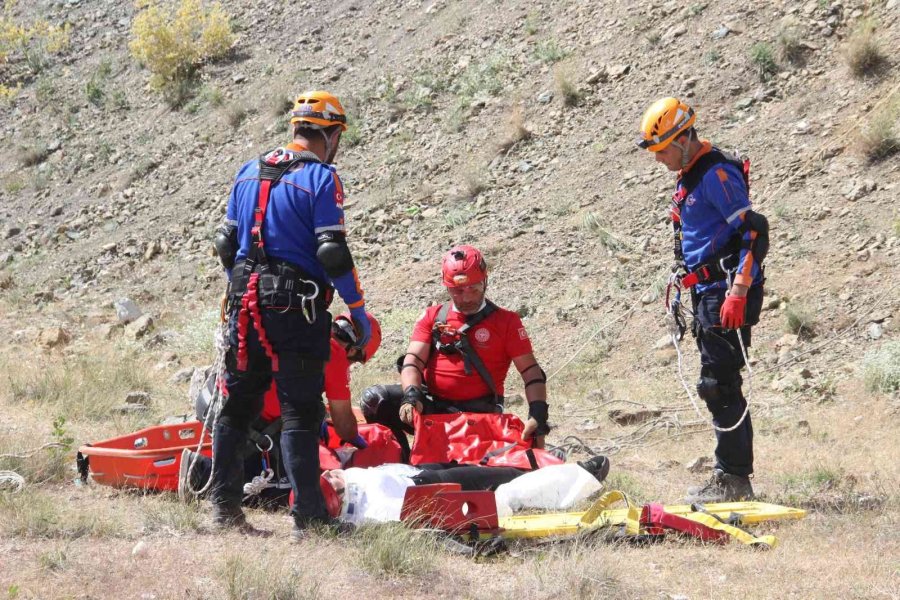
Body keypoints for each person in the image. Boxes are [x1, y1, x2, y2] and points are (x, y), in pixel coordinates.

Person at [211, 90, 373, 537]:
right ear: (331, 133)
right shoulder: (322, 177)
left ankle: (224, 509)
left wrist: (241, 285)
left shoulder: (247, 172)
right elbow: (331, 250)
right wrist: (356, 309)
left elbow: (226, 243)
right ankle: (310, 519)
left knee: (238, 404)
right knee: (300, 410)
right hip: (296, 305)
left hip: (244, 300)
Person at [637, 97, 769, 503]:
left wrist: (739, 291)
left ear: (683, 138)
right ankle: (731, 475)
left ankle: (733, 480)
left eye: (662, 151)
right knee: (718, 383)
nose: (659, 161)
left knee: (718, 384)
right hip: (707, 292)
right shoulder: (689, 175)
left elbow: (754, 232)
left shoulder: (717, 173)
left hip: (727, 292)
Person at [360, 245, 550, 461]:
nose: (467, 297)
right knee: (375, 400)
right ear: (447, 287)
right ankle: (401, 461)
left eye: (474, 288)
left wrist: (538, 413)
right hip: (434, 408)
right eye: (458, 290)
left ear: (485, 281)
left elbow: (531, 371)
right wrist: (412, 395)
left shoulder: (506, 322)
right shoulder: (433, 317)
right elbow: (413, 361)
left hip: (479, 415)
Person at [178, 312, 383, 506]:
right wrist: (358, 441)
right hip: (243, 422)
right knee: (290, 492)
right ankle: (200, 471)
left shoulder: (305, 323)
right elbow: (344, 427)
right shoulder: (334, 354)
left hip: (214, 400)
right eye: (356, 360)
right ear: (354, 349)